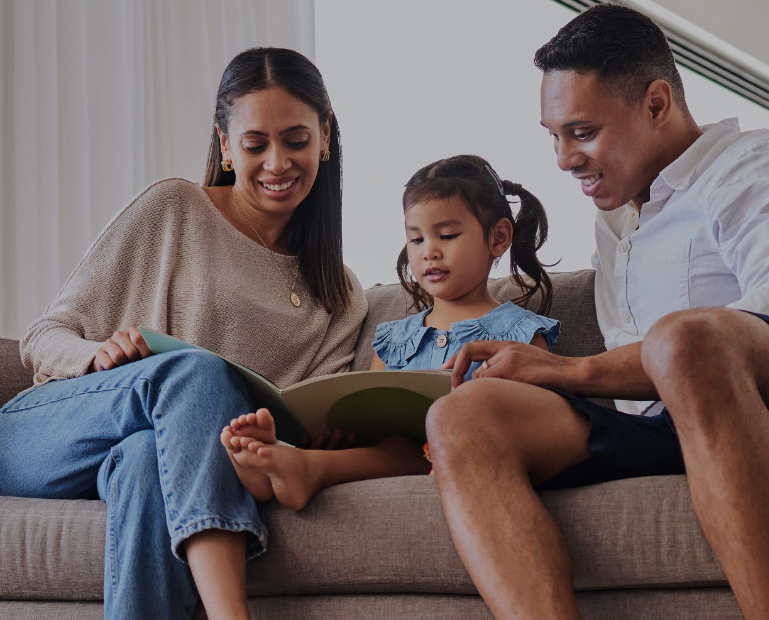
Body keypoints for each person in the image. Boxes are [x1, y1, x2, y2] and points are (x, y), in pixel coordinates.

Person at [427, 4, 769, 620]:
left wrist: (573, 372)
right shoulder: (618, 218)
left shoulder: (761, 164)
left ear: (657, 103)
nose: (565, 159)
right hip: (679, 430)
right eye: (554, 136)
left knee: (685, 341)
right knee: (463, 418)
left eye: (583, 132)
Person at [0, 47, 364, 620]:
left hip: (148, 457)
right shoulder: (174, 208)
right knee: (196, 372)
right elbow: (45, 335)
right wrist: (97, 354)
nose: (277, 162)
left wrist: (300, 436)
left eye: (296, 140)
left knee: (147, 459)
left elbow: (298, 418)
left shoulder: (339, 292)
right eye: (256, 143)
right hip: (45, 436)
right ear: (225, 145)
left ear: (325, 137)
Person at [219, 154, 561, 510]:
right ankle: (280, 462)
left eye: (447, 235)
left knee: (408, 449)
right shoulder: (394, 339)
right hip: (391, 454)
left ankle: (303, 468)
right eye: (416, 239)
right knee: (387, 445)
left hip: (465, 453)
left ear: (498, 237)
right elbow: (371, 416)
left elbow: (540, 424)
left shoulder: (520, 334)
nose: (429, 252)